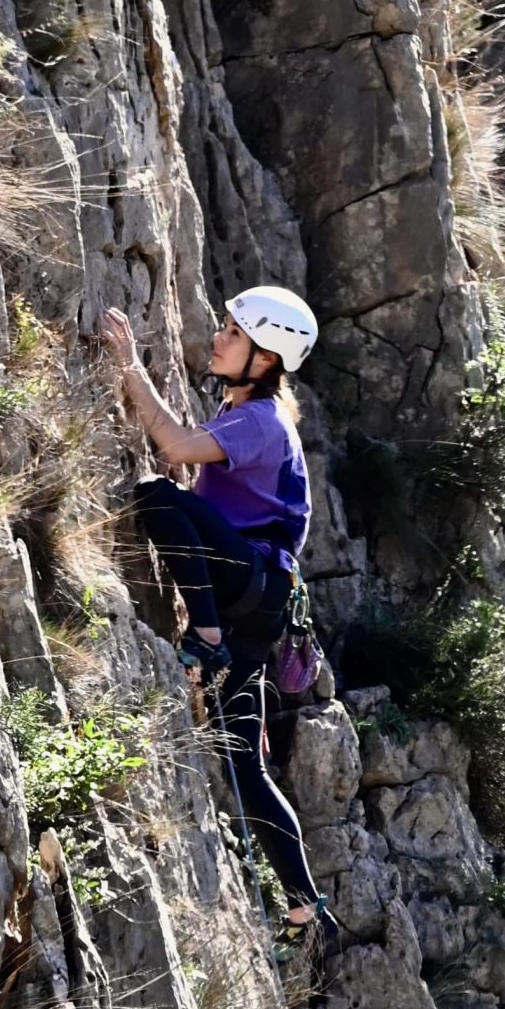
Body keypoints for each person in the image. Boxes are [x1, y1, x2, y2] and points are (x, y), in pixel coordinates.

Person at [101, 285, 339, 942]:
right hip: (261, 603)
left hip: (248, 594)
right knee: (243, 764)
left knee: (155, 494)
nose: (218, 338)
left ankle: (202, 636)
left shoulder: (261, 421)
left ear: (264, 360)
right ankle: (305, 908)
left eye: (233, 334)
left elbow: (174, 451)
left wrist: (127, 365)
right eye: (225, 327)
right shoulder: (249, 412)